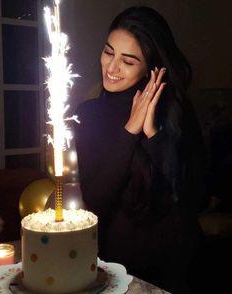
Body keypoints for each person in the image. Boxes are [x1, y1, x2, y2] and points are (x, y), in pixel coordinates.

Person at [75, 6, 207, 294]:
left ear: (150, 67)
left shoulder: (176, 112)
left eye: (128, 60)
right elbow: (94, 202)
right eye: (108, 52)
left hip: (176, 269)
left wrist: (154, 136)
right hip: (115, 270)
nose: (111, 68)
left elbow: (190, 200)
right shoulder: (88, 114)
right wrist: (130, 131)